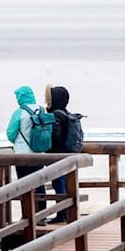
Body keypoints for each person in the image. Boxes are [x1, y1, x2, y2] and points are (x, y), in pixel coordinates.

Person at [6, 85, 46, 223]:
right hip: (39, 153)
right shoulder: (41, 109)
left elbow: (10, 134)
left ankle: (27, 216)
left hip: (22, 154)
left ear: (20, 97)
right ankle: (42, 215)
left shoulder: (19, 112)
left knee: (24, 184)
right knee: (39, 183)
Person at [44, 84, 80, 224]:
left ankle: (62, 213)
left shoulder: (56, 115)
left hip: (58, 156)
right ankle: (67, 212)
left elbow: (56, 136)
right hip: (66, 155)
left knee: (59, 185)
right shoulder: (65, 112)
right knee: (64, 183)